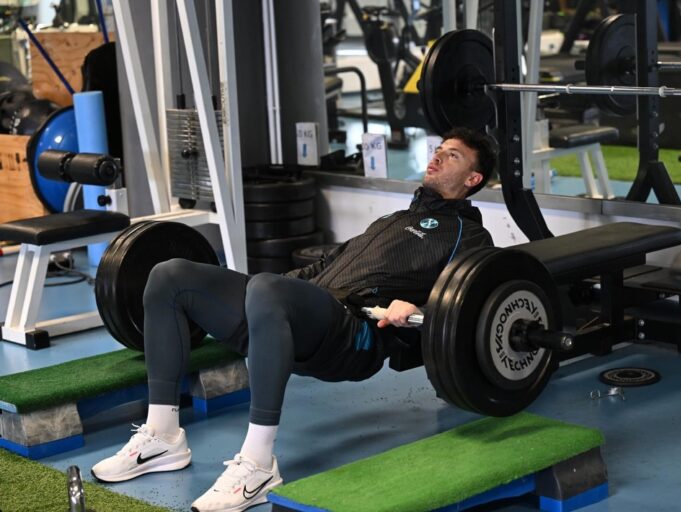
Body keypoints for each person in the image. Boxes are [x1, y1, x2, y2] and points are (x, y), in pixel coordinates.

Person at [91, 127, 496, 512]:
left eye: (453, 154)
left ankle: (258, 465)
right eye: (439, 148)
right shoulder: (391, 221)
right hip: (306, 312)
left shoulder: (468, 235)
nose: (438, 155)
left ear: (473, 178)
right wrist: (258, 292)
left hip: (355, 334)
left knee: (268, 288)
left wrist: (418, 308)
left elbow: (465, 301)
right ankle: (163, 435)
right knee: (170, 275)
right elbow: (323, 266)